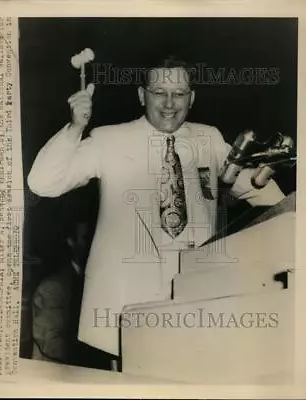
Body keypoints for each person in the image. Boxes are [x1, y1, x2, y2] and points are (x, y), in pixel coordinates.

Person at [27, 57, 285, 362]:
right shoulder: (109, 139)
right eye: (159, 92)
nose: (169, 103)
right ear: (141, 95)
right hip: (124, 310)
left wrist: (273, 172)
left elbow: (265, 196)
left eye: (179, 93)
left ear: (192, 97)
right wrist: (75, 128)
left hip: (196, 304)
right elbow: (43, 183)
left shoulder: (209, 138)